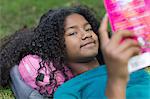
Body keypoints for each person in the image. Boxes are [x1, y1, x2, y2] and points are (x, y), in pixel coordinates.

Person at [0, 6, 149, 99]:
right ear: (57, 47)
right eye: (72, 33)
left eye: (89, 28)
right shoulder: (68, 91)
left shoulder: (133, 70)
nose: (86, 35)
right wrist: (116, 79)